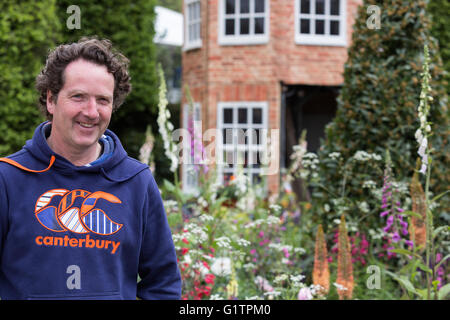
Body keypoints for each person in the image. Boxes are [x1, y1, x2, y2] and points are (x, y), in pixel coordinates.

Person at [0, 37, 182, 300]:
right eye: (78, 97)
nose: (91, 112)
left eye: (103, 100)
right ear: (51, 100)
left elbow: (163, 285)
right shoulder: (8, 178)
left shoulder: (137, 182)